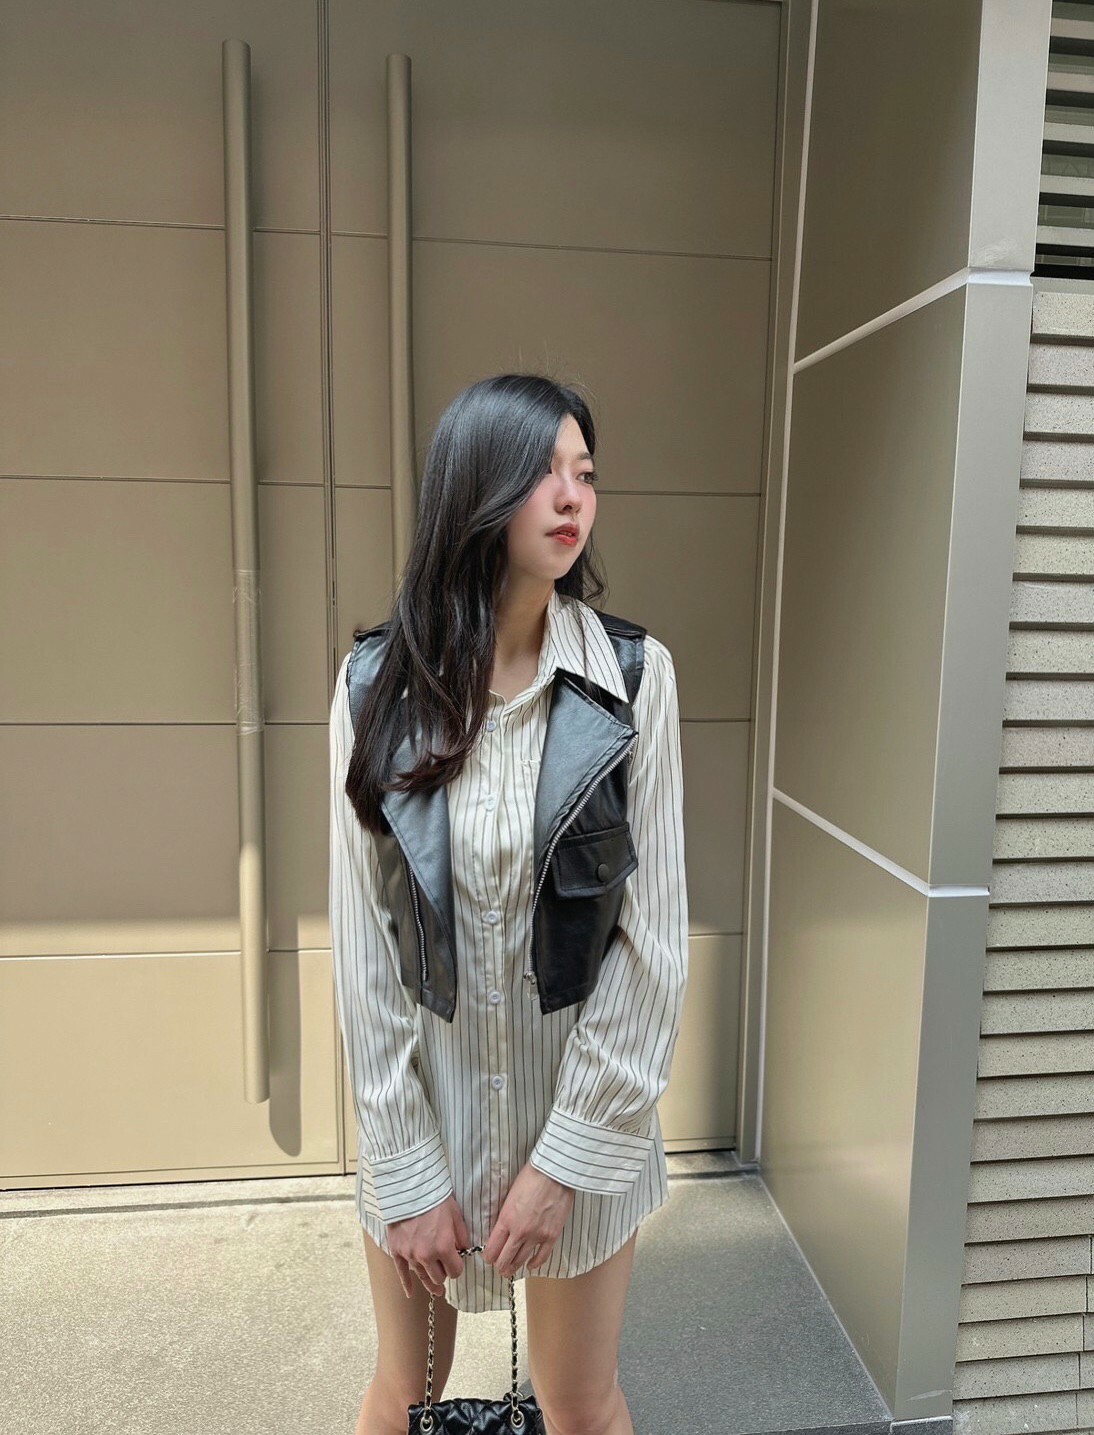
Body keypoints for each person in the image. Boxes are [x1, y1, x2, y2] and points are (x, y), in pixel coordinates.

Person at [329, 372, 688, 1435]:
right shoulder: (374, 686)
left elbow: (651, 947)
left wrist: (564, 1164)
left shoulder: (632, 681)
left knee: (580, 1406)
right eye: (544, 472)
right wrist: (406, 1168)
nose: (573, 497)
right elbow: (364, 947)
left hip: (580, 1114)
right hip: (427, 1116)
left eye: (586, 472)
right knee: (405, 1396)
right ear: (475, 489)